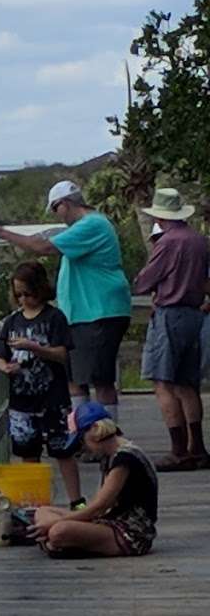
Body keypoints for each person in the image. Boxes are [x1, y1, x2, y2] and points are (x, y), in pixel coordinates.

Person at [0, 180, 132, 422]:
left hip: (98, 312)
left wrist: (2, 233)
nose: (56, 215)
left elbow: (42, 247)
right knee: (76, 378)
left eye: (54, 209)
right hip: (84, 314)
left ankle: (107, 437)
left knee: (100, 379)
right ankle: (83, 435)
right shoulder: (88, 226)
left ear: (65, 204)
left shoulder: (92, 224)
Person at [0, 260, 83, 508]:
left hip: (53, 398)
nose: (23, 300)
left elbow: (62, 354)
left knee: (63, 450)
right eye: (18, 294)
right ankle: (37, 505)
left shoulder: (55, 318)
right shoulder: (12, 322)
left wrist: (34, 348)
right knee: (28, 453)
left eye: (28, 294)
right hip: (21, 401)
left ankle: (77, 501)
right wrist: (5, 367)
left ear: (40, 289)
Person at [133, 187, 210, 471]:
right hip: (194, 314)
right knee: (188, 385)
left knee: (163, 382)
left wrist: (142, 280)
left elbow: (145, 280)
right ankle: (198, 447)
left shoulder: (167, 242)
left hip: (170, 313)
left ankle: (178, 450)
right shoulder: (199, 240)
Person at [30, 401, 158, 556]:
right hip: (109, 520)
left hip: (129, 532)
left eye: (82, 440)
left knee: (58, 531)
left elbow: (99, 507)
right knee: (42, 511)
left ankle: (57, 544)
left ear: (95, 430)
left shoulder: (124, 459)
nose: (83, 447)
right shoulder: (110, 456)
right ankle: (58, 544)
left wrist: (56, 522)